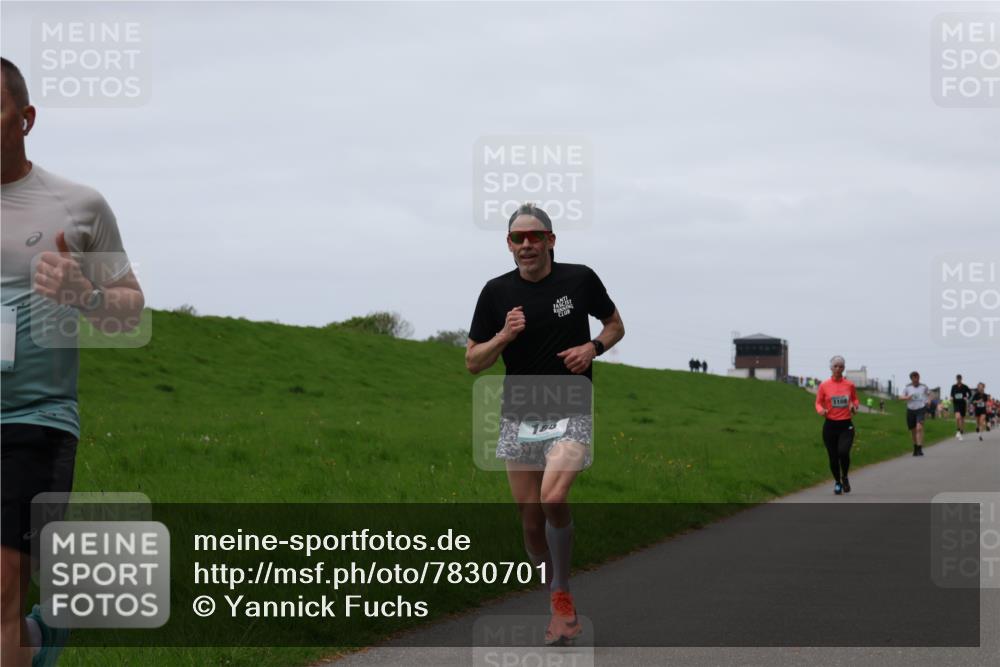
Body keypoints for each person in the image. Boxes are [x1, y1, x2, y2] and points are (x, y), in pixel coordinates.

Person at [1, 57, 144, 667]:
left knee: (2, 589)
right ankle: (42, 639)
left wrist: (84, 294)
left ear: (26, 118)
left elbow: (131, 312)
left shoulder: (77, 205)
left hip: (34, 421)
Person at [466, 203, 624, 645]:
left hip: (571, 402)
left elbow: (615, 324)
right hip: (520, 411)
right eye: (518, 238)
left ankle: (562, 598)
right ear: (509, 245)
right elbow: (473, 362)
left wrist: (593, 348)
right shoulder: (496, 293)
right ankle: (553, 590)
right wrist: (503, 336)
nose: (527, 244)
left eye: (536, 236)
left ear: (551, 240)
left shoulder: (579, 279)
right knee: (530, 518)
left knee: (553, 496)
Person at [815, 356, 859, 494]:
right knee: (833, 456)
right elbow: (818, 402)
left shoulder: (849, 385)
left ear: (844, 368)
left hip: (846, 425)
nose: (838, 369)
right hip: (830, 426)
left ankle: (845, 477)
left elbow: (855, 399)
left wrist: (854, 407)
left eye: (841, 366)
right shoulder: (824, 385)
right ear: (831, 368)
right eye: (836, 366)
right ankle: (837, 482)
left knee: (843, 452)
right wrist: (821, 410)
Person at [901, 371, 930, 456]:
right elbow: (900, 397)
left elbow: (930, 394)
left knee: (919, 428)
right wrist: (907, 397)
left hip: (920, 409)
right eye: (914, 378)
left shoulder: (923, 387)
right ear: (911, 379)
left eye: (917, 378)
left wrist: (929, 400)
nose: (916, 380)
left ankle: (920, 448)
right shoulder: (907, 388)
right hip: (910, 410)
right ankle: (915, 447)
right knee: (913, 430)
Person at [950, 374, 970, 440]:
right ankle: (958, 430)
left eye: (959, 379)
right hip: (956, 403)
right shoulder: (953, 386)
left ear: (961, 379)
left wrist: (966, 397)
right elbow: (951, 394)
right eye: (957, 379)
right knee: (957, 417)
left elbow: (970, 393)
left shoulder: (965, 386)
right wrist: (951, 398)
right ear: (956, 379)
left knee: (962, 419)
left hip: (962, 404)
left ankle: (961, 431)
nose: (959, 380)